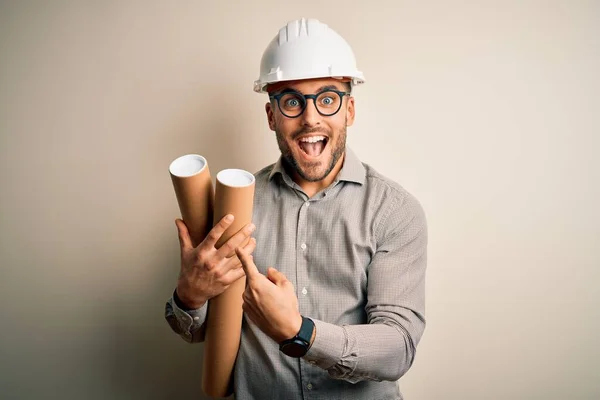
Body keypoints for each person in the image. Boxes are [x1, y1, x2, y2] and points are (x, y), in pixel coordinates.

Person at [165, 17, 427, 400]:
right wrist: (189, 297)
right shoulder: (236, 205)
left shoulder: (393, 211)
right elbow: (198, 331)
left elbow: (397, 347)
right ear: (271, 116)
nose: (310, 118)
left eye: (327, 98)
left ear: (349, 111)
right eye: (291, 101)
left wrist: (299, 331)